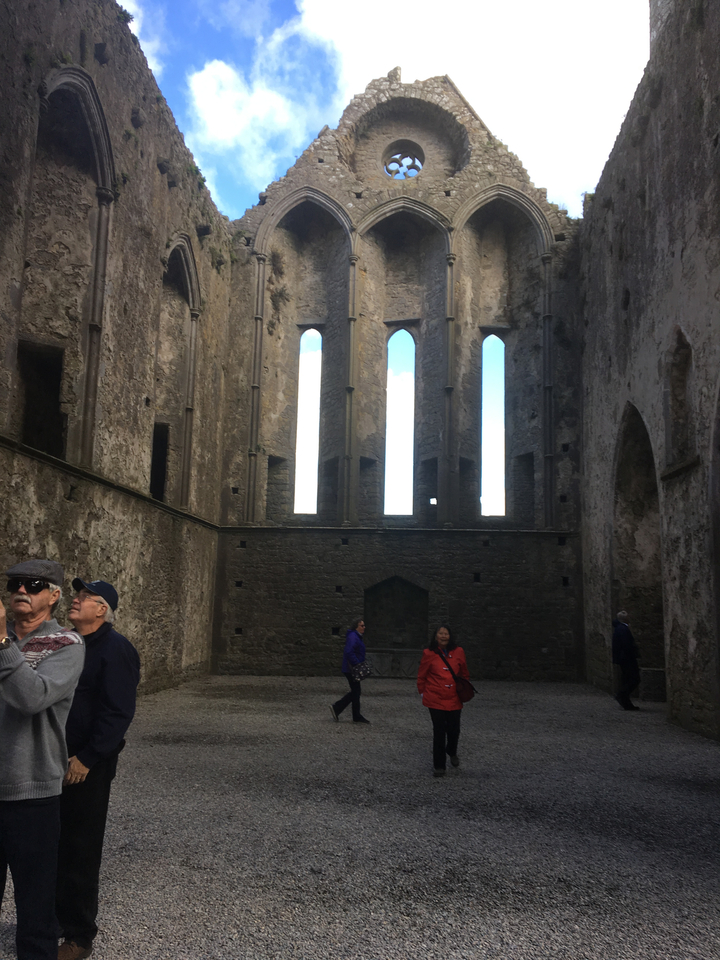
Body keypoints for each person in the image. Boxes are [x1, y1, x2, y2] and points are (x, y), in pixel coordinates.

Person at [0, 559, 84, 960]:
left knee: (35, 909)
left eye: (34, 584)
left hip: (30, 794)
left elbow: (31, 698)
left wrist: (2, 645)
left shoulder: (67, 645)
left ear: (53, 596)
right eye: (15, 582)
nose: (21, 590)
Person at [56, 578, 141, 960]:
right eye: (76, 596)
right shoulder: (65, 643)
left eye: (85, 597)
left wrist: (88, 757)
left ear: (102, 609)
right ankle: (51, 919)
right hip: (51, 758)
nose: (75, 600)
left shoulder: (116, 649)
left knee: (79, 846)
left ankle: (79, 934)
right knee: (49, 844)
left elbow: (118, 711)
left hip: (85, 765)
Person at [417, 625, 470, 777]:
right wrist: (423, 692)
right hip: (435, 698)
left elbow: (464, 673)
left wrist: (463, 688)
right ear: (435, 636)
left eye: (446, 633)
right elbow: (422, 675)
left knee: (454, 729)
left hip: (454, 698)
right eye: (441, 633)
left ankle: (451, 750)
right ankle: (439, 765)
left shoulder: (459, 651)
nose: (443, 636)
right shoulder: (428, 653)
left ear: (450, 636)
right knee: (439, 731)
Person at [329, 618, 370, 724]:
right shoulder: (353, 637)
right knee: (356, 691)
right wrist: (357, 664)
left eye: (364, 625)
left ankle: (354, 715)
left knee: (356, 691)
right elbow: (349, 652)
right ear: (356, 627)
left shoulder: (356, 637)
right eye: (362, 625)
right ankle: (337, 708)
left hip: (352, 668)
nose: (364, 627)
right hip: (351, 669)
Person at [612, 610, 640, 711]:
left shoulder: (620, 628)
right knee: (634, 679)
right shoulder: (623, 629)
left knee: (628, 679)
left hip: (624, 658)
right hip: (627, 658)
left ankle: (625, 701)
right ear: (624, 619)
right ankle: (622, 695)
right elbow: (626, 645)